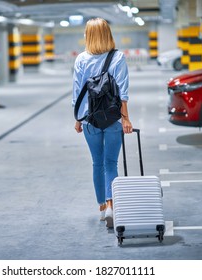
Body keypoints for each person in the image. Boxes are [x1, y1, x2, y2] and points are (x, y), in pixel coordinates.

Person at [72, 18, 133, 228]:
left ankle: (101, 207)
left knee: (97, 163)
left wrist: (77, 119)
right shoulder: (118, 57)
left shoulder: (81, 59)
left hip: (90, 119)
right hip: (113, 118)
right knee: (110, 163)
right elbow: (123, 92)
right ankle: (111, 205)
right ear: (108, 34)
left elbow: (78, 91)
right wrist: (126, 118)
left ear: (88, 36)